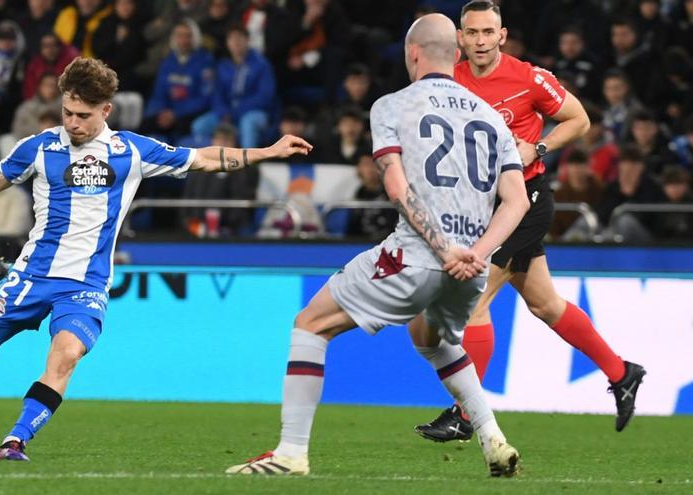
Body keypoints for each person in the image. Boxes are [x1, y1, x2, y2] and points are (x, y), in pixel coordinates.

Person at [0, 57, 312, 461]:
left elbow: (203, 157)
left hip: (85, 285)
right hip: (34, 274)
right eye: (67, 113)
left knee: (66, 355)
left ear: (106, 111)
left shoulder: (131, 150)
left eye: (83, 115)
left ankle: (15, 440)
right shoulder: (39, 148)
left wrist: (267, 151)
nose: (73, 123)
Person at [226, 13, 529, 478]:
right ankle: (493, 440)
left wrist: (444, 250)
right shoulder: (491, 117)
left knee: (310, 325)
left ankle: (289, 453)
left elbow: (395, 186)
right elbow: (517, 200)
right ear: (458, 54)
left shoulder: (392, 106)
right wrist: (475, 253)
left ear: (413, 53)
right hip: (472, 267)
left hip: (419, 254)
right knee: (432, 337)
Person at [413, 1, 646, 444]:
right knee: (545, 304)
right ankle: (622, 372)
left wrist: (537, 148)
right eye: (472, 33)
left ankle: (466, 414)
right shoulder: (447, 81)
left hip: (526, 202)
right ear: (460, 38)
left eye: (489, 32)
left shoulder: (529, 78)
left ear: (502, 36)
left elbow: (579, 119)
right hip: (482, 208)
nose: (481, 41)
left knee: (475, 300)